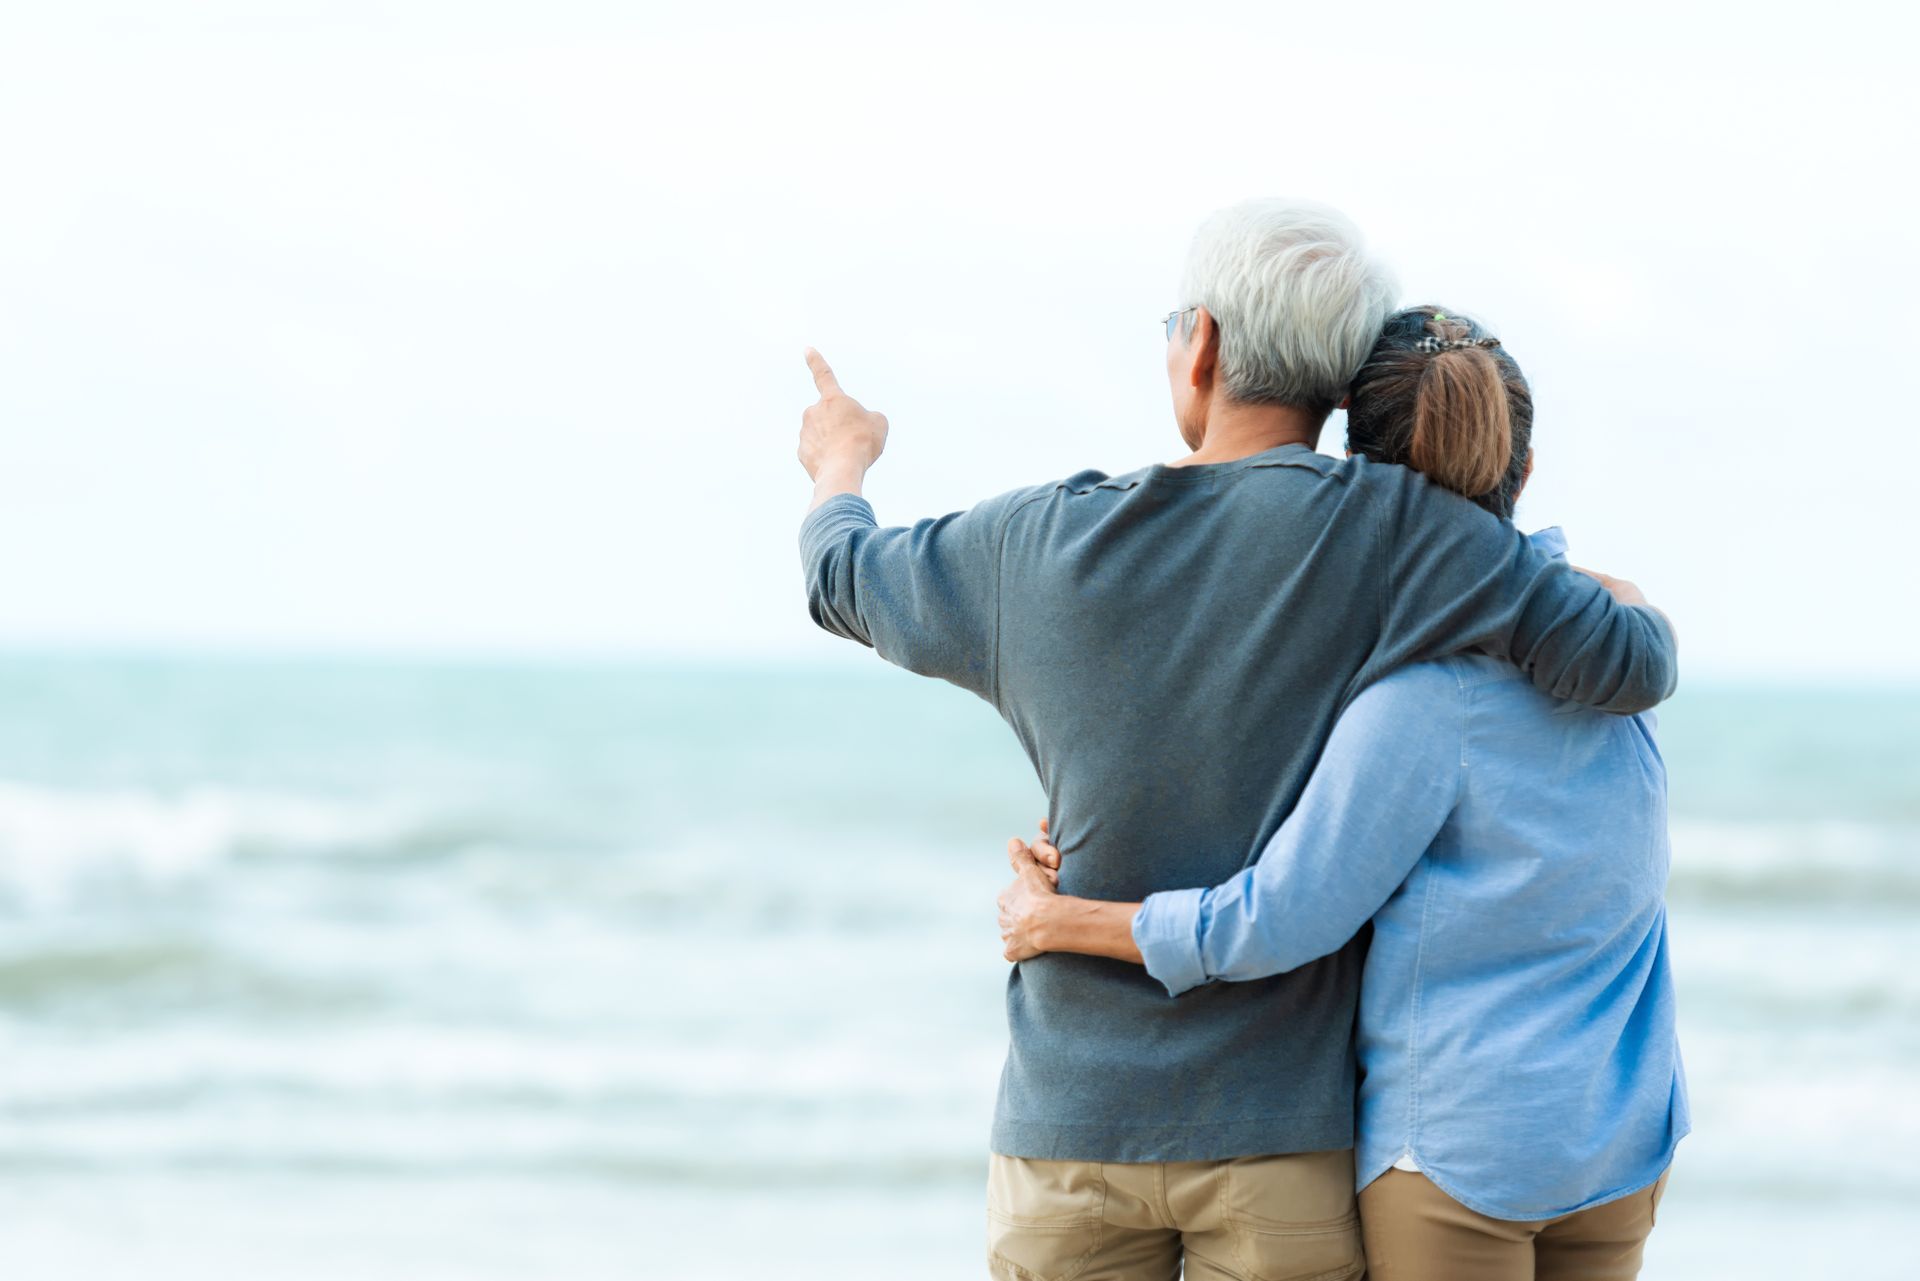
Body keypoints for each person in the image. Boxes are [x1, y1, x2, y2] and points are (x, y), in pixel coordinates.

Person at [795, 202, 1678, 1281]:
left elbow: (842, 579)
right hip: (1283, 1141)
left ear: (1200, 341)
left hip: (1069, 1119)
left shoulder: (1031, 545)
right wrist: (1605, 587)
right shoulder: (1405, 530)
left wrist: (841, 464)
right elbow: (1628, 663)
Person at [994, 305, 1689, 1281]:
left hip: (1460, 1162)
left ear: (1355, 488)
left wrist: (1058, 920)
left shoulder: (1423, 701)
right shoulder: (1615, 642)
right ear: (1521, 471)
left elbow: (1274, 920)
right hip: (1623, 1137)